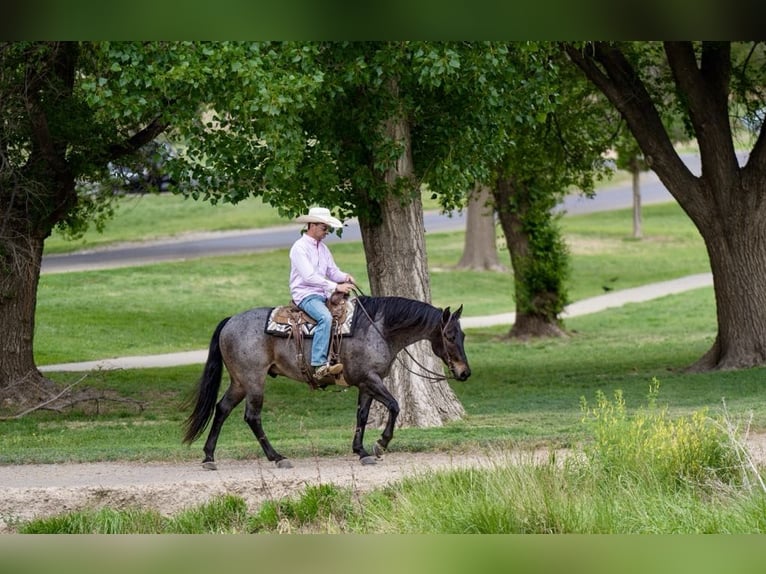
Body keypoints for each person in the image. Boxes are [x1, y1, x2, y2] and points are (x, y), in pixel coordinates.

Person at [289, 207, 356, 380]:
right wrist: (336, 287)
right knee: (325, 318)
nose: (327, 232)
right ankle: (319, 365)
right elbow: (309, 276)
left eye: (328, 228)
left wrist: (345, 277)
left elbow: (333, 271)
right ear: (312, 225)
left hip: (323, 293)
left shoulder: (323, 248)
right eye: (324, 228)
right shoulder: (299, 248)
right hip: (306, 294)